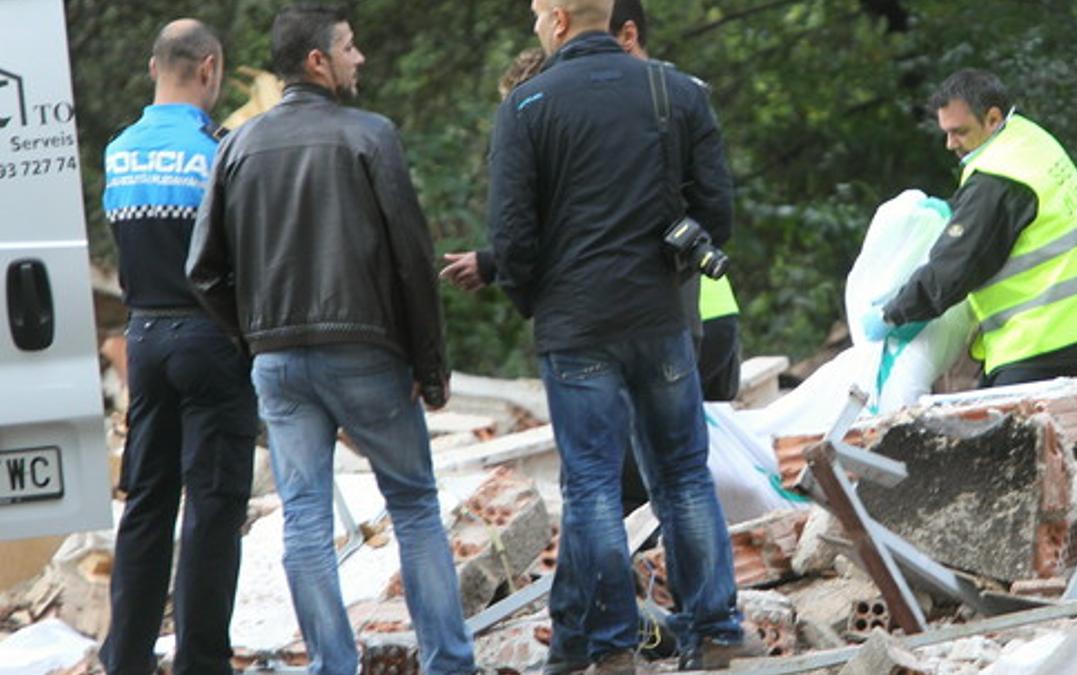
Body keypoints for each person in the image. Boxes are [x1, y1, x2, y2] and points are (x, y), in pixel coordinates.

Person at [186, 5, 476, 674]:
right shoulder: (371, 136)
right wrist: (429, 367)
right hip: (366, 351)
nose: (360, 59)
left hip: (279, 364)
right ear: (317, 61)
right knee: (412, 502)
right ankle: (449, 663)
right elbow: (411, 256)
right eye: (349, 48)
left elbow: (203, 269)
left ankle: (331, 665)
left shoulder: (236, 144)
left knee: (305, 518)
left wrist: (253, 336)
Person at [487, 0, 744, 672]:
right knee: (685, 475)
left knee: (592, 487)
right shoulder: (675, 90)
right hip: (658, 316)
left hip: (574, 326)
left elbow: (512, 236)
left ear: (562, 20)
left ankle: (611, 648)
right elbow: (717, 210)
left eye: (539, 11)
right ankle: (714, 628)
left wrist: (535, 300)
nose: (534, 23)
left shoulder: (526, 107)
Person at [442, 0, 743, 405]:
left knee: (604, 464)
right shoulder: (680, 97)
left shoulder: (553, 108)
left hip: (622, 317)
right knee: (686, 462)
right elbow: (704, 211)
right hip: (682, 310)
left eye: (539, 18)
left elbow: (564, 219)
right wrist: (495, 263)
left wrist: (534, 297)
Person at [99, 19, 258, 675]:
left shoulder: (119, 149)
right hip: (208, 337)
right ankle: (200, 660)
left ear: (152, 67)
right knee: (213, 506)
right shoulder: (220, 151)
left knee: (146, 503)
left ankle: (127, 657)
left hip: (145, 338)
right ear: (211, 68)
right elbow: (244, 256)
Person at [862, 68, 1077, 388]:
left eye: (959, 131)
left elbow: (952, 270)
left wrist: (892, 314)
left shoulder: (996, 179)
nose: (949, 143)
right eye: (946, 132)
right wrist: (955, 211)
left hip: (1048, 337)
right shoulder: (1026, 138)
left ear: (992, 118)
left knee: (1002, 432)